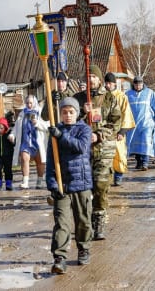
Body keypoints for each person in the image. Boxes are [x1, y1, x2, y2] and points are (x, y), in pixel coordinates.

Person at [73, 64, 121, 240]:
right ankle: (85, 221)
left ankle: (99, 219)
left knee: (101, 185)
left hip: (103, 148)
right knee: (83, 189)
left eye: (93, 76)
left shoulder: (109, 98)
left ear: (99, 79)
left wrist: (98, 135)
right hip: (81, 151)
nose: (90, 80)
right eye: (88, 77)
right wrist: (82, 114)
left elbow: (115, 122)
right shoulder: (77, 99)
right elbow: (68, 120)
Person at [47, 97, 93, 274]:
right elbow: (51, 161)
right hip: (62, 185)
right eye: (64, 112)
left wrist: (61, 136)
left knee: (83, 220)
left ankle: (83, 249)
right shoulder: (55, 132)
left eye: (71, 112)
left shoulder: (84, 129)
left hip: (81, 184)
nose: (67, 115)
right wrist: (52, 185)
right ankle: (59, 258)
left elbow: (81, 147)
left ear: (76, 113)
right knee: (61, 223)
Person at [9, 95, 49, 189]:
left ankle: (39, 181)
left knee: (40, 162)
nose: (29, 105)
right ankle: (25, 182)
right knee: (24, 158)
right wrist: (12, 134)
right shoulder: (22, 113)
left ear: (34, 102)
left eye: (31, 103)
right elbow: (17, 126)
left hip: (38, 142)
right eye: (27, 103)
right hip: (26, 141)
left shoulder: (40, 112)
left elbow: (48, 125)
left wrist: (38, 124)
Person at [126, 76, 155, 170]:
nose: (138, 86)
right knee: (136, 144)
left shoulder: (149, 93)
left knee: (146, 142)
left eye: (140, 84)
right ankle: (139, 161)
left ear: (142, 83)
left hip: (146, 123)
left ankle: (145, 163)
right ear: (133, 84)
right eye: (136, 84)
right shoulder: (128, 94)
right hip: (133, 124)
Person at [104, 72, 135, 186]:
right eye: (106, 83)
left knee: (119, 153)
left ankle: (118, 176)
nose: (108, 85)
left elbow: (127, 114)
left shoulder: (122, 97)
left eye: (110, 83)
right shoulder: (102, 96)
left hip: (118, 131)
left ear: (114, 84)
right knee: (106, 155)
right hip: (105, 131)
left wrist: (123, 131)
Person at [0, 117, 15, 190]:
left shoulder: (9, 133)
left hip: (7, 156)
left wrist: (12, 141)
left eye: (1, 128)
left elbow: (14, 144)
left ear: (5, 127)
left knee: (8, 170)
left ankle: (8, 183)